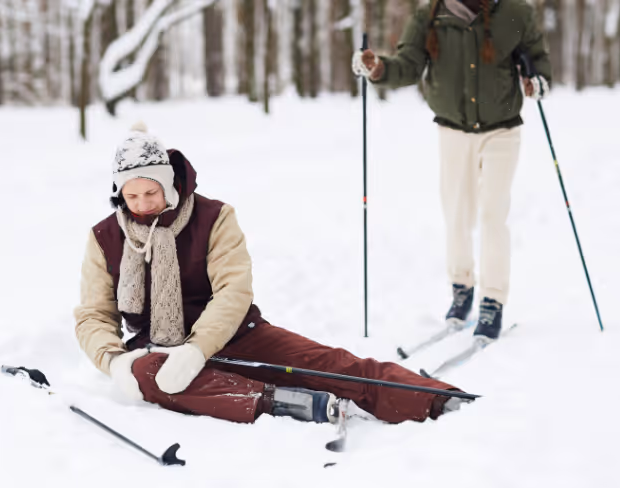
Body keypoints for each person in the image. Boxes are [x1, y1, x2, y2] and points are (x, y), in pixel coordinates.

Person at [74, 123, 462, 426]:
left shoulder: (214, 217)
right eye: (131, 196)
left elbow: (233, 291)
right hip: (158, 348)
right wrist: (113, 361)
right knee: (145, 374)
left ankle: (434, 397)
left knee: (326, 363)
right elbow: (94, 313)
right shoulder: (104, 236)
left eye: (151, 193)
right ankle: (278, 403)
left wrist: (197, 349)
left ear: (168, 184)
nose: (142, 205)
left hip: (237, 335)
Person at [353, 0, 552, 339]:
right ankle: (462, 287)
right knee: (457, 215)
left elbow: (538, 59)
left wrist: (539, 81)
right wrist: (378, 68)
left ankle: (493, 300)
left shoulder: (516, 12)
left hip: (502, 129)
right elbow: (408, 64)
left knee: (493, 214)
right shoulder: (430, 15)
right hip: (452, 130)